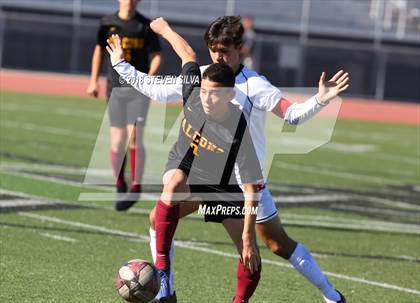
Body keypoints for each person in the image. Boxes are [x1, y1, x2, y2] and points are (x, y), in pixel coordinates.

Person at [113, 16, 348, 303]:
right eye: (213, 49)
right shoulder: (201, 76)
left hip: (243, 181)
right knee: (159, 213)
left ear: (240, 48)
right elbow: (159, 88)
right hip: (205, 174)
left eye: (224, 50)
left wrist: (321, 99)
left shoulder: (255, 86)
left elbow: (291, 115)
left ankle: (332, 296)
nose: (218, 56)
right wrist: (121, 64)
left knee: (274, 244)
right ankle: (166, 290)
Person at [108, 15, 265, 302]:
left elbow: (252, 187)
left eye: (214, 95)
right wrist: (156, 35)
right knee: (166, 198)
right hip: (188, 169)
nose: (206, 99)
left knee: (251, 262)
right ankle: (165, 283)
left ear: (230, 96)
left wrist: (248, 239)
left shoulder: (237, 128)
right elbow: (187, 55)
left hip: (222, 185)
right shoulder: (193, 92)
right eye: (203, 92)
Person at [86, 0, 161, 211]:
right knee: (117, 142)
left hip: (138, 91)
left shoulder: (144, 25)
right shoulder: (107, 23)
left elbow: (156, 55)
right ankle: (120, 184)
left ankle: (136, 186)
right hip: (115, 89)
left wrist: (147, 79)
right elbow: (99, 50)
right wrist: (93, 80)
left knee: (135, 138)